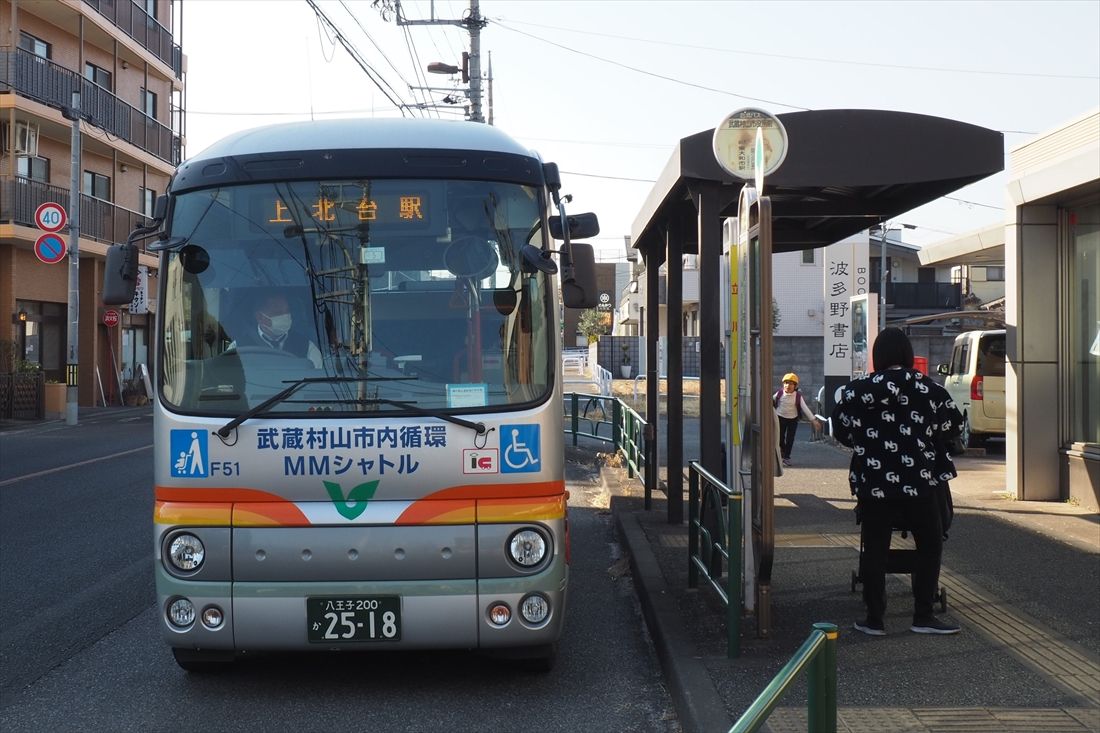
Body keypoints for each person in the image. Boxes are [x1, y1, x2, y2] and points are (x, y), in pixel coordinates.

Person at [831, 328, 963, 636]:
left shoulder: (857, 390)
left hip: (874, 483)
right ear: (906, 355)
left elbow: (840, 430)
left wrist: (867, 442)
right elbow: (954, 425)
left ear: (877, 357)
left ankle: (874, 619)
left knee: (874, 547)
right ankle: (923, 616)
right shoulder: (928, 389)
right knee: (930, 545)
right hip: (920, 482)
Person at [234, 291, 323, 369]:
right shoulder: (238, 347)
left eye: (287, 311)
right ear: (259, 317)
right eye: (278, 313)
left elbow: (319, 381)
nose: (285, 316)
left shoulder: (307, 347)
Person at [772, 372, 821, 467]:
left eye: (791, 383)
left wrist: (814, 420)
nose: (788, 385)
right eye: (786, 383)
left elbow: (805, 408)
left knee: (790, 438)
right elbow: (771, 401)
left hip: (793, 419)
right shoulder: (779, 393)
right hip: (780, 417)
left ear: (795, 386)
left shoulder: (798, 396)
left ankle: (786, 457)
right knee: (780, 437)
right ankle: (783, 451)